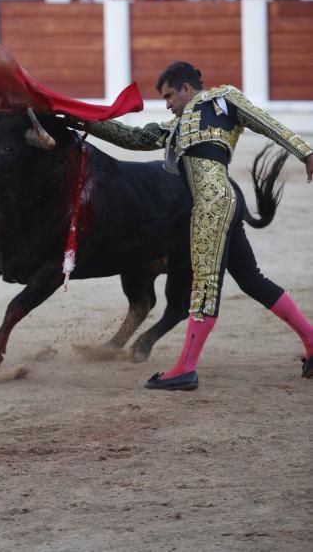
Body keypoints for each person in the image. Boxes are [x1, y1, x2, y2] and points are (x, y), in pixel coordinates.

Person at [65, 61, 313, 391]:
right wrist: (82, 120)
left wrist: (306, 153)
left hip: (211, 204)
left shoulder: (223, 99)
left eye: (169, 96)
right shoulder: (175, 128)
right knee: (252, 279)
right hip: (224, 201)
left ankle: (185, 369)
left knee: (206, 284)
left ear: (186, 88)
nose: (167, 104)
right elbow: (132, 137)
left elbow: (266, 123)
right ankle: (312, 341)